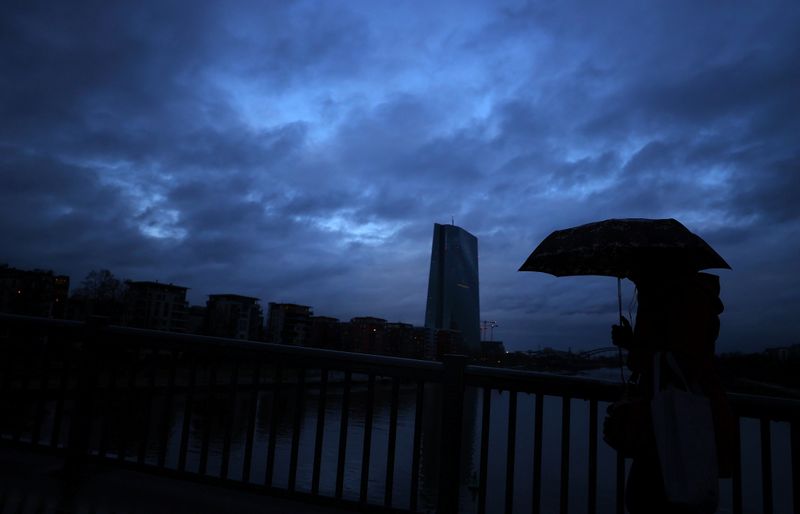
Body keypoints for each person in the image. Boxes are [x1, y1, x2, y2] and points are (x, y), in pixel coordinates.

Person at [606, 271, 734, 514]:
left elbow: (667, 357)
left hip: (667, 420)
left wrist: (634, 345)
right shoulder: (691, 296)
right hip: (689, 418)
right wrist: (633, 344)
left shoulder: (667, 296)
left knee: (650, 496)